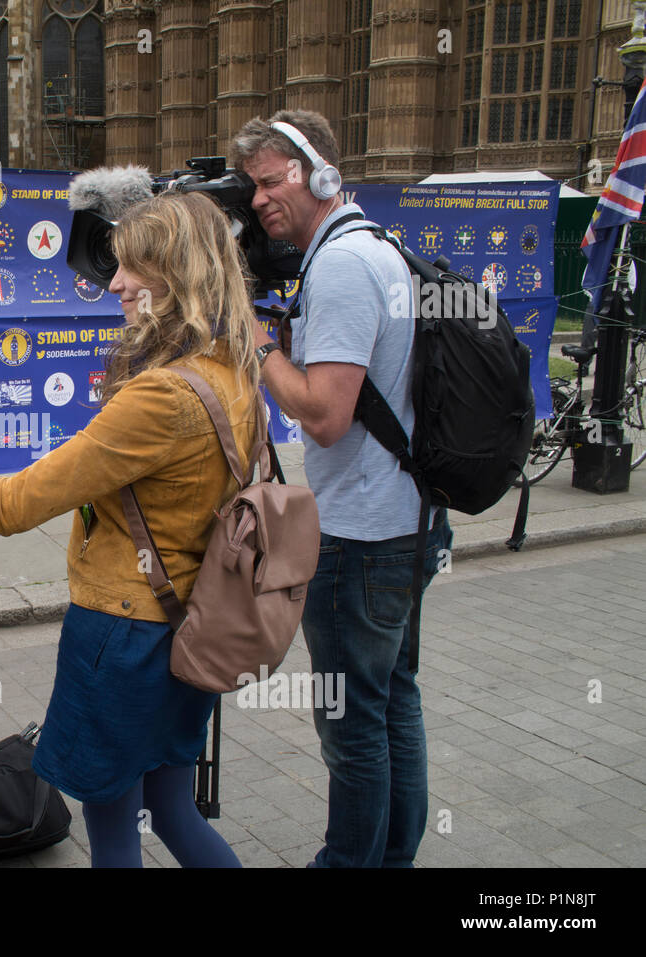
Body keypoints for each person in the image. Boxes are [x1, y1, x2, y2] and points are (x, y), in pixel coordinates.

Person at [0, 191, 257, 868]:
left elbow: (13, 505)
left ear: (176, 277)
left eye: (132, 269)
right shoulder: (233, 370)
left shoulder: (160, 395)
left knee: (115, 829)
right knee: (176, 809)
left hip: (125, 638)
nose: (113, 283)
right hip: (193, 626)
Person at [231, 109, 451, 867]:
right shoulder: (372, 247)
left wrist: (257, 343)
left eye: (270, 181)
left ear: (320, 174)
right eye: (252, 187)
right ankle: (391, 858)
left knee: (353, 723)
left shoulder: (344, 265)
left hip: (361, 536)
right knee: (392, 702)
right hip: (402, 522)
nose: (258, 200)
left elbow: (325, 414)